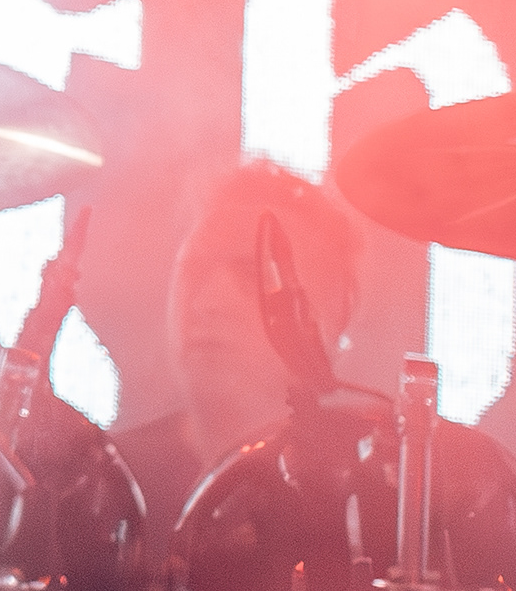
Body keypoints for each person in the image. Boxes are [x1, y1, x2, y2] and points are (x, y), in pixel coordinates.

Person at [110, 155, 366, 527]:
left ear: (336, 312)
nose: (208, 301)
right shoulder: (110, 486)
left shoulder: (377, 492)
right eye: (195, 270)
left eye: (251, 273)